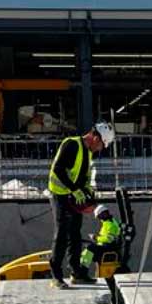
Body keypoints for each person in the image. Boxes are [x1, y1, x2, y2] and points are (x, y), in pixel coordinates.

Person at [47, 122, 115, 288]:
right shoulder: (72, 144)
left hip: (73, 197)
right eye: (101, 144)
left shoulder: (88, 152)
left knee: (75, 234)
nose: (100, 149)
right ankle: (56, 275)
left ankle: (77, 272)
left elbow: (83, 176)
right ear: (94, 137)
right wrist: (73, 189)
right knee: (62, 233)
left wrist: (87, 191)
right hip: (60, 194)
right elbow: (58, 169)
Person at [80, 204, 122, 274]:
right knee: (89, 247)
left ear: (104, 214)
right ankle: (82, 268)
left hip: (108, 249)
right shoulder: (109, 222)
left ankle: (82, 271)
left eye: (99, 217)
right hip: (106, 247)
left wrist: (96, 238)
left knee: (90, 248)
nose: (99, 219)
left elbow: (109, 239)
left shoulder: (110, 224)